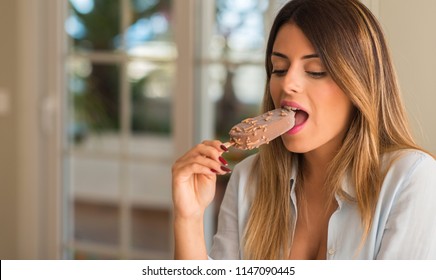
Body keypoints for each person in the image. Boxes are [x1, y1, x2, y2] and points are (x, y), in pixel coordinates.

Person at [171, 0, 436, 260]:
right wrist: (189, 218)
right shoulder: (248, 179)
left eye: (315, 70)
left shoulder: (411, 179)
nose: (288, 84)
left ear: (360, 85)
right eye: (279, 68)